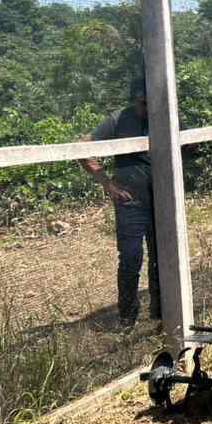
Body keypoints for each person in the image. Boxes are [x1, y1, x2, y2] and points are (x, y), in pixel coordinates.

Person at [79, 76, 160, 330]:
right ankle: (127, 317)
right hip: (130, 202)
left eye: (150, 103)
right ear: (134, 99)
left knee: (162, 257)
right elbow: (82, 147)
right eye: (142, 103)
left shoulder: (164, 116)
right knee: (131, 258)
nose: (146, 108)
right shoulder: (118, 119)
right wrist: (106, 182)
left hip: (161, 200)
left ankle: (160, 312)